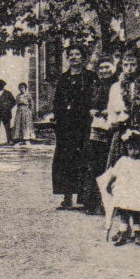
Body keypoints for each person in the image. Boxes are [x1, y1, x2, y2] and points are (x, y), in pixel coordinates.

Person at [51, 46, 94, 209]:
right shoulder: (63, 78)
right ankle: (67, 197)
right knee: (65, 160)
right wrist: (57, 116)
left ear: (83, 58)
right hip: (66, 126)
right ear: (68, 58)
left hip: (84, 125)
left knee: (83, 158)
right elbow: (57, 101)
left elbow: (94, 98)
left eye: (78, 54)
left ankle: (84, 198)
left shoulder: (89, 77)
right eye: (71, 55)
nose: (74, 57)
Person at [98, 133, 140, 245]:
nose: (133, 152)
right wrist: (108, 184)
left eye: (136, 149)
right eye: (130, 149)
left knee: (135, 216)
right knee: (124, 216)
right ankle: (123, 234)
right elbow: (114, 174)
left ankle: (137, 234)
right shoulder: (123, 161)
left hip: (136, 195)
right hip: (123, 195)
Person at [107, 47, 140, 167]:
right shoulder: (115, 88)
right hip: (121, 135)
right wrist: (116, 124)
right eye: (126, 65)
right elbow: (111, 112)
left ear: (139, 65)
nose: (129, 69)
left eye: (133, 64)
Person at [84, 56, 117, 214]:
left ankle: (112, 203)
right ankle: (95, 202)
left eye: (107, 67)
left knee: (111, 163)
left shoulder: (117, 85)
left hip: (113, 127)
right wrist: (92, 110)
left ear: (114, 67)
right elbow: (90, 103)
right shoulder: (96, 85)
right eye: (101, 68)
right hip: (98, 127)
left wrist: (108, 111)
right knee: (96, 164)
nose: (104, 71)